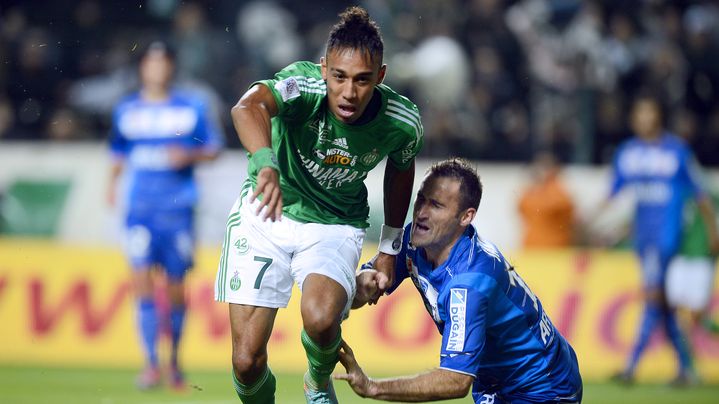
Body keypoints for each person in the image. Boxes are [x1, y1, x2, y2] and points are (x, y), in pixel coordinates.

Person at [214, 6, 422, 403]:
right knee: (246, 362)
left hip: (334, 222)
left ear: (380, 77)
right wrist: (264, 163)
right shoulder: (302, 87)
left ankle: (316, 381)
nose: (349, 92)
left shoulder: (401, 122)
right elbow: (247, 107)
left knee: (322, 319)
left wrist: (390, 248)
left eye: (362, 81)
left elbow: (401, 168)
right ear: (324, 68)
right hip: (265, 213)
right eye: (339, 77)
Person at [337, 158, 583, 403]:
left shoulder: (470, 282)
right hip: (496, 382)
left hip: (544, 387)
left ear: (466, 217)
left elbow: (456, 380)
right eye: (421, 198)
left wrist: (372, 387)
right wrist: (357, 286)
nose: (422, 212)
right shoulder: (416, 239)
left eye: (436, 205)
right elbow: (370, 285)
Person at [107, 41, 224, 390]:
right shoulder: (126, 109)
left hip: (177, 210)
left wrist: (189, 156)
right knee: (141, 280)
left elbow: (214, 148)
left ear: (172, 67)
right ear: (143, 68)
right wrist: (111, 185)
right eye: (152, 63)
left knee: (175, 287)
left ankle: (174, 363)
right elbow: (117, 152)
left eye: (164, 63)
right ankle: (150, 364)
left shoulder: (191, 107)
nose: (158, 69)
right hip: (140, 208)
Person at [592, 94, 719, 386]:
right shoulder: (627, 152)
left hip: (668, 237)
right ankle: (687, 369)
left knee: (654, 299)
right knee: (663, 303)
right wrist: (590, 221)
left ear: (658, 116)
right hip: (644, 237)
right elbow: (613, 193)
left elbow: (700, 193)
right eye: (640, 113)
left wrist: (713, 232)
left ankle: (631, 367)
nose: (644, 119)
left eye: (649, 112)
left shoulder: (676, 151)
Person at [666, 188, 719, 336]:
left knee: (696, 314)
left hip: (701, 259)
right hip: (680, 257)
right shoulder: (680, 195)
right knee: (677, 309)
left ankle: (684, 352)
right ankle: (683, 354)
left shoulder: (711, 198)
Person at [517, 151, 576, 248]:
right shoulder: (531, 190)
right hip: (532, 246)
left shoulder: (558, 191)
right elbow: (522, 208)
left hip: (553, 248)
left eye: (545, 167)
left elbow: (561, 208)